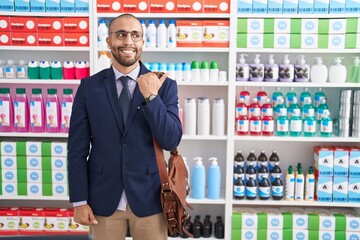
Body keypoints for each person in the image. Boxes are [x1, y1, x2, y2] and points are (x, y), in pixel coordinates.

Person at [67, 13, 182, 240]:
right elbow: (77, 148)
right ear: (109, 41)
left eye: (135, 35)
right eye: (121, 35)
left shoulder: (165, 86)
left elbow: (171, 140)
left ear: (142, 42)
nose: (128, 41)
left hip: (151, 198)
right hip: (103, 199)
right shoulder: (89, 87)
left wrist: (151, 98)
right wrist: (79, 201)